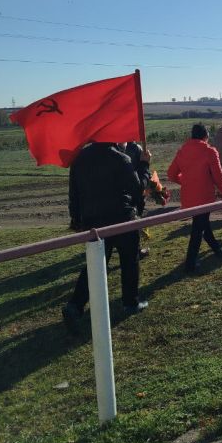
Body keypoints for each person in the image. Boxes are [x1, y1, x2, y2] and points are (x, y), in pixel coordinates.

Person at [62, 141, 152, 334]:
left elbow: (74, 193)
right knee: (129, 261)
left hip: (93, 222)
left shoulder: (79, 158)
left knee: (95, 265)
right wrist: (145, 165)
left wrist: (76, 219)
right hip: (121, 218)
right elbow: (137, 188)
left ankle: (75, 305)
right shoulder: (120, 158)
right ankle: (130, 302)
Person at [167, 123, 222, 272]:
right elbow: (218, 176)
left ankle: (217, 249)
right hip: (204, 197)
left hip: (188, 196)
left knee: (202, 224)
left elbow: (171, 174)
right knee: (198, 228)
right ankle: (190, 263)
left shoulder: (182, 150)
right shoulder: (209, 151)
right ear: (205, 136)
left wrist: (186, 181)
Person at [121, 141, 150, 259]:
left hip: (131, 189)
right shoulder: (132, 149)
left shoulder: (134, 148)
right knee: (134, 219)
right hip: (134, 188)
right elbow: (142, 167)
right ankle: (136, 250)